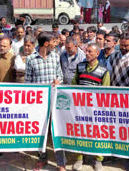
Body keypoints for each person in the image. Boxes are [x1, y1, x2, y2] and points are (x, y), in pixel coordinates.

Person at [25, 32, 64, 171]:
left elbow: (60, 75)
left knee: (56, 132)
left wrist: (58, 81)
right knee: (40, 132)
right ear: (46, 44)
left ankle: (61, 163)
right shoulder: (30, 59)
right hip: (38, 104)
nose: (56, 43)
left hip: (54, 102)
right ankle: (42, 158)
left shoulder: (55, 56)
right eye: (54, 41)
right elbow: (28, 83)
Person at [71, 43, 109, 171]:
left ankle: (98, 160)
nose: (86, 53)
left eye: (90, 52)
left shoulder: (104, 70)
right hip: (80, 108)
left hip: (96, 109)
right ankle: (79, 158)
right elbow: (73, 85)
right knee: (80, 132)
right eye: (86, 51)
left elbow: (105, 91)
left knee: (97, 133)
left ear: (97, 54)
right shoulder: (80, 67)